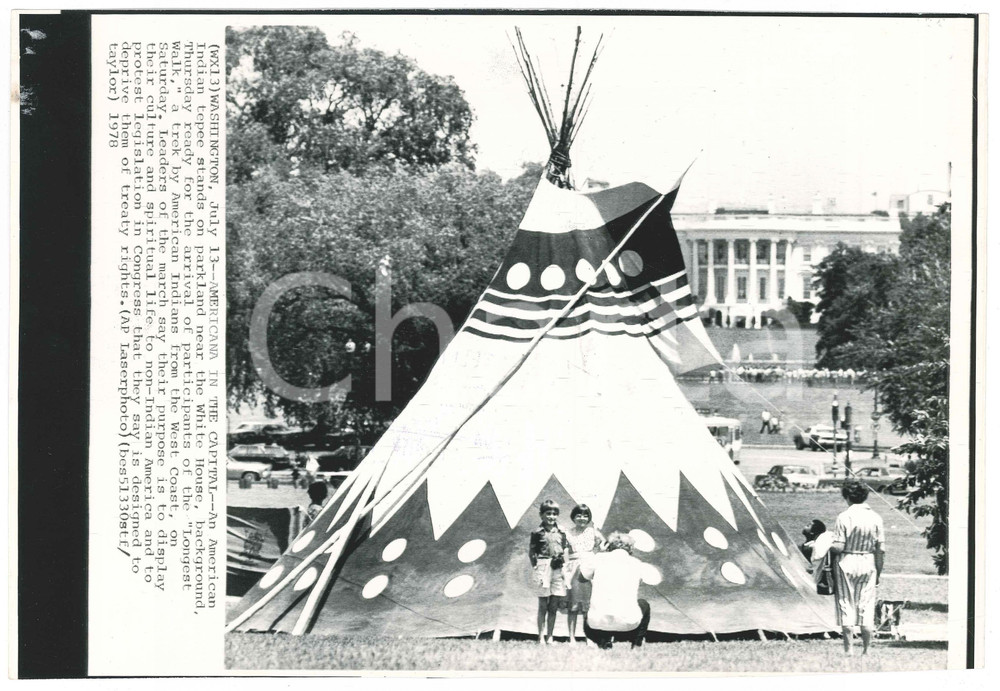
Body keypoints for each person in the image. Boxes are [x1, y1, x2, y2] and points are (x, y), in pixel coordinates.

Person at [829, 480, 885, 655]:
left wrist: (826, 546)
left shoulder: (844, 517)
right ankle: (867, 650)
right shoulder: (876, 517)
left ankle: (849, 649)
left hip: (847, 559)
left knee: (846, 603)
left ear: (846, 496)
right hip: (868, 560)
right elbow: (880, 549)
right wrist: (878, 572)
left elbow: (838, 546)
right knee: (866, 605)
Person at [578, 532, 651, 650]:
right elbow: (639, 582)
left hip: (596, 626)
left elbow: (581, 578)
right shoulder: (637, 563)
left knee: (592, 607)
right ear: (631, 548)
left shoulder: (599, 558)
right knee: (644, 604)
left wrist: (599, 553)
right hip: (629, 627)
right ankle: (637, 643)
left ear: (609, 546)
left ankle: (603, 641)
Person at [563, 504, 605, 643]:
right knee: (573, 606)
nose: (582, 518)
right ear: (573, 517)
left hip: (590, 569)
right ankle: (572, 637)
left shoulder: (593, 532)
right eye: (579, 515)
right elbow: (565, 553)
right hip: (574, 570)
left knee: (589, 606)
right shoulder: (568, 533)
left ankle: (590, 638)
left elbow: (603, 547)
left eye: (585, 515)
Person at [529, 499, 569, 645]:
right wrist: (537, 566)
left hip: (558, 567)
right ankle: (540, 636)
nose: (551, 517)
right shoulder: (537, 532)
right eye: (548, 513)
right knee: (543, 605)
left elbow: (565, 549)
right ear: (541, 515)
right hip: (543, 566)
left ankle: (550, 636)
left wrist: (565, 566)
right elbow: (532, 552)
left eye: (554, 514)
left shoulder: (562, 531)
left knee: (554, 605)